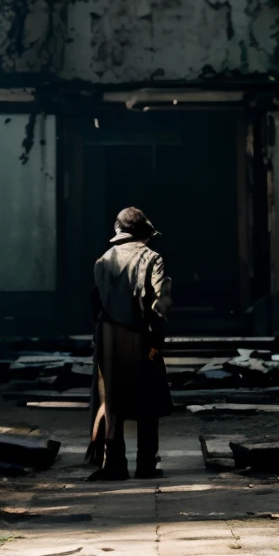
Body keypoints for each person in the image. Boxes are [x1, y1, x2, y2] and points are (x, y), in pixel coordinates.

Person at [87, 206, 173, 480]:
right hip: (139, 335)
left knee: (111, 401)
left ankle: (114, 464)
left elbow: (95, 303)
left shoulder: (102, 261)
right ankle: (146, 464)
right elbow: (159, 304)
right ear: (142, 234)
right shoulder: (151, 258)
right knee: (147, 397)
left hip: (107, 335)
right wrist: (156, 341)